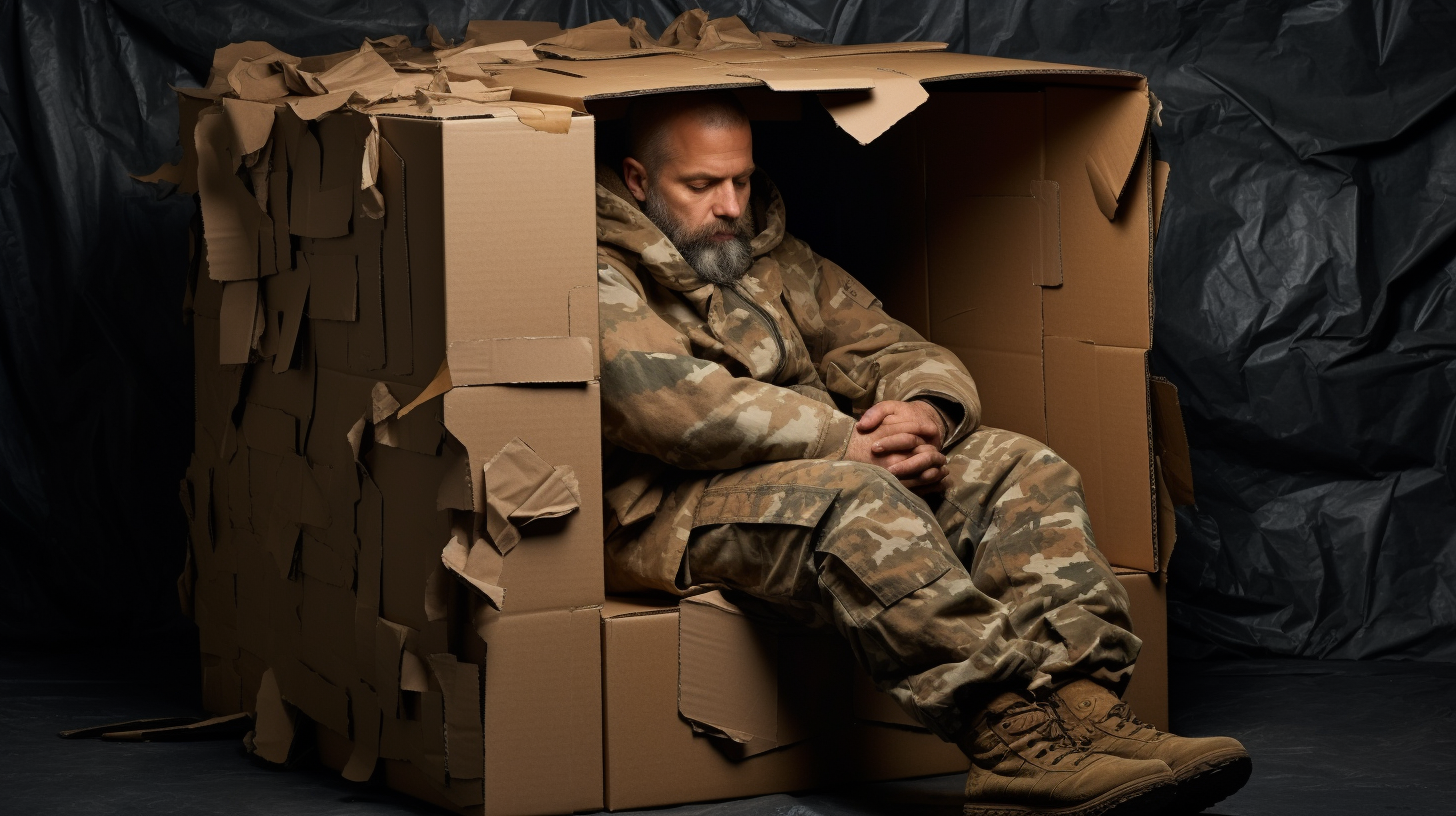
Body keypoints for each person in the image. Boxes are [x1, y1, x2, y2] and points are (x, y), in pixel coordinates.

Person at [595, 90, 1250, 816]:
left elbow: (887, 343)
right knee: (859, 502)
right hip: (667, 511)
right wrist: (847, 441)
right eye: (702, 185)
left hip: (821, 470)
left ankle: (1083, 710)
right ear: (637, 179)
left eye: (741, 180)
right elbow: (664, 402)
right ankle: (1012, 744)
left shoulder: (769, 258)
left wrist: (923, 413)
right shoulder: (601, 270)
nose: (729, 205)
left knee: (1019, 466)